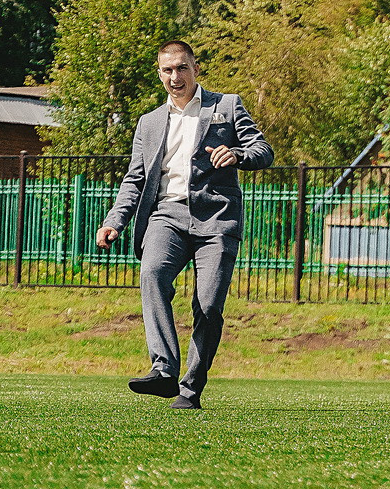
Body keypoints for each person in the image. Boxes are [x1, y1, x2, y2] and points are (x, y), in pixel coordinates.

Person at [96, 40, 273, 411]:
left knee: (207, 306)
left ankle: (190, 388)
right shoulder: (149, 122)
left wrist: (238, 155)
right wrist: (115, 221)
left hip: (216, 221)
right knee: (153, 274)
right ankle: (164, 371)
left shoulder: (226, 106)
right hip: (166, 216)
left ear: (195, 68)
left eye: (181, 68)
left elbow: (263, 151)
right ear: (159, 73)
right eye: (167, 70)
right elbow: (135, 179)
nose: (175, 77)